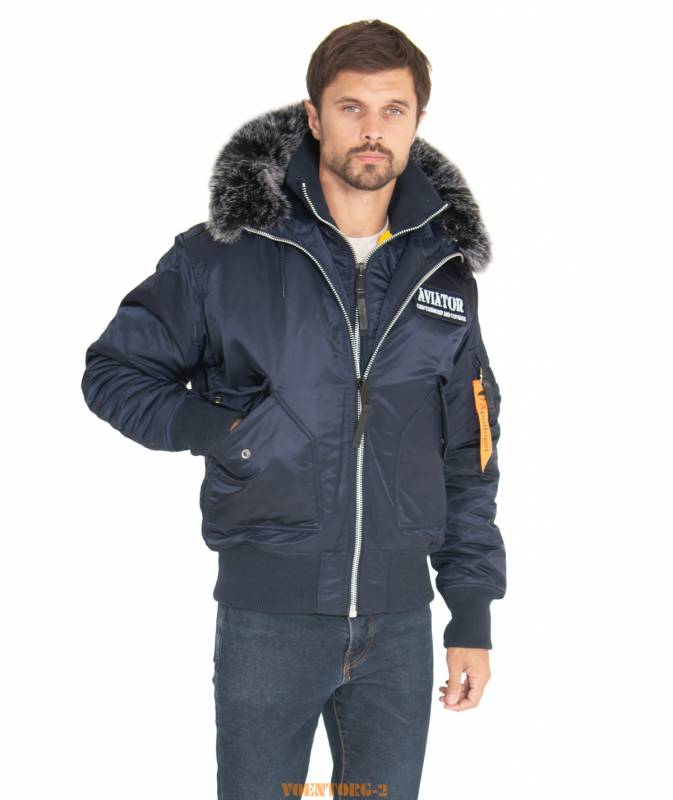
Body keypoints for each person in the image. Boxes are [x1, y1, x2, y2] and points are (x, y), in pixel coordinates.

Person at [81, 18, 506, 800]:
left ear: (415, 120)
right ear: (314, 117)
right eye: (351, 107)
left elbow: (468, 454)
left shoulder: (443, 275)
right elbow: (114, 372)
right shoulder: (222, 255)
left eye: (392, 109)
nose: (372, 129)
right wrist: (228, 433)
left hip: (400, 627)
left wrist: (470, 614)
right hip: (269, 620)